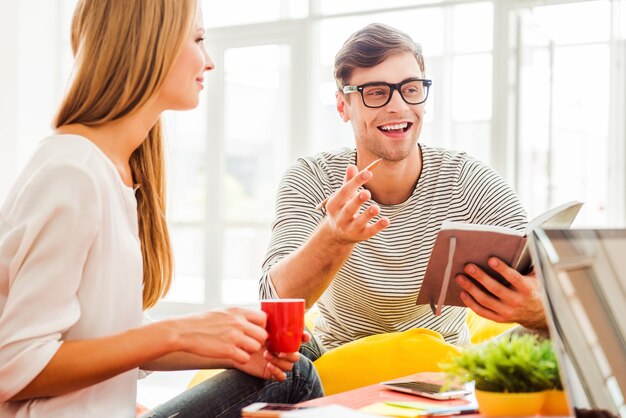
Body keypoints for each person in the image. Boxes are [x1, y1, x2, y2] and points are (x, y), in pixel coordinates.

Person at [0, 0, 322, 417]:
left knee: (293, 369)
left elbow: (108, 335)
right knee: (298, 380)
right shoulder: (73, 171)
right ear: (149, 44)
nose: (209, 62)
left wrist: (217, 346)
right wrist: (177, 333)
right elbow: (15, 364)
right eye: (199, 40)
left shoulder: (112, 171)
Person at [259, 23, 547, 359]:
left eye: (410, 89)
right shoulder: (311, 177)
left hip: (445, 363)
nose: (398, 106)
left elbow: (539, 274)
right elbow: (273, 301)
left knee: (566, 329)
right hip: (337, 362)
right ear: (343, 106)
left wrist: (536, 308)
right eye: (376, 92)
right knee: (272, 351)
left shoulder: (469, 179)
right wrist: (333, 236)